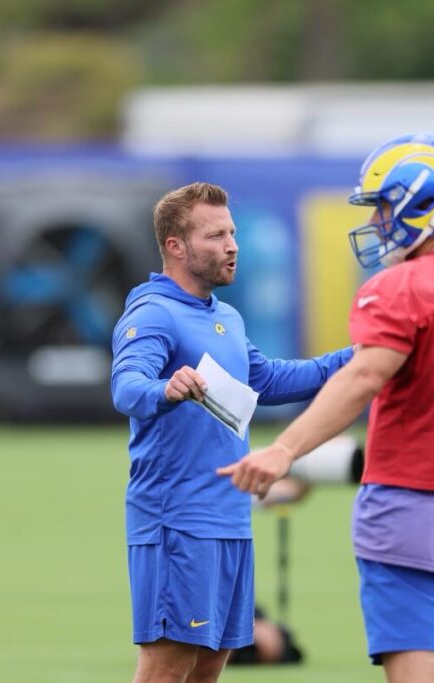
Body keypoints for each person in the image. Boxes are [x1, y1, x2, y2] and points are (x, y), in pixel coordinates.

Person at [218, 133, 434, 683]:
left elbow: (364, 375)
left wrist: (286, 449)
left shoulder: (402, 287)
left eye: (384, 205)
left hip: (409, 506)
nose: (377, 220)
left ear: (424, 202)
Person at [110, 181, 353, 683]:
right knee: (166, 669)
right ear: (176, 246)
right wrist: (165, 388)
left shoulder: (226, 317)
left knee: (207, 670)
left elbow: (268, 380)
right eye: (216, 235)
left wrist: (365, 355)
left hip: (230, 521)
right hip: (178, 522)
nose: (232, 246)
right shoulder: (154, 312)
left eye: (233, 233)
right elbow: (127, 387)